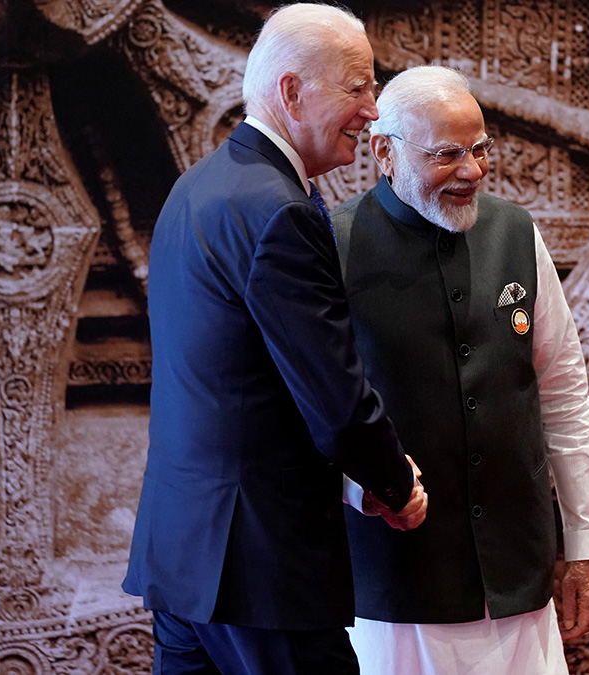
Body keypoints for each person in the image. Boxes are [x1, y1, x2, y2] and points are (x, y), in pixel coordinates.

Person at [122, 5, 428, 674]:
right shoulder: (279, 210)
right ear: (292, 91)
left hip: (183, 556)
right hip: (260, 568)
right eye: (357, 86)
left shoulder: (197, 187)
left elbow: (238, 378)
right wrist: (396, 482)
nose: (373, 110)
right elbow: (335, 399)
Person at [332, 66, 589, 675]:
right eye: (447, 154)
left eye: (481, 150)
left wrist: (586, 545)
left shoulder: (516, 233)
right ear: (384, 152)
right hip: (394, 589)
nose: (473, 171)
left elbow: (563, 393)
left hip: (517, 577)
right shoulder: (333, 245)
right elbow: (301, 408)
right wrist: (362, 487)